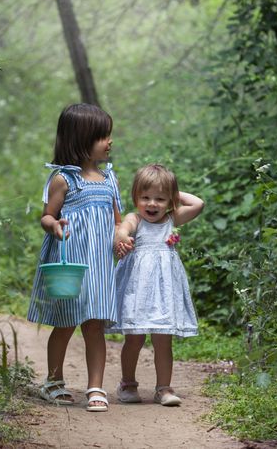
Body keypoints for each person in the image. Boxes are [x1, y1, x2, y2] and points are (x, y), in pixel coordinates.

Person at [28, 103, 123, 412]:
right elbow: (46, 217)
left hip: (100, 265)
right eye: (103, 136)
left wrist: (122, 238)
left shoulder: (109, 179)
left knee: (95, 325)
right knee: (66, 322)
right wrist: (54, 226)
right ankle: (53, 381)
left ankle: (95, 387)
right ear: (81, 140)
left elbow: (117, 221)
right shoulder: (64, 180)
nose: (110, 142)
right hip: (71, 263)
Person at [107, 163, 204, 406]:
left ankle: (164, 388)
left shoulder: (172, 218)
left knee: (163, 339)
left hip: (164, 291)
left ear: (170, 201)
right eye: (145, 197)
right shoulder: (135, 219)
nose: (152, 204)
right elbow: (123, 229)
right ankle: (127, 384)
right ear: (136, 197)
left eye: (160, 199)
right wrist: (122, 237)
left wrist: (173, 192)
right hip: (137, 290)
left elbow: (198, 204)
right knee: (135, 339)